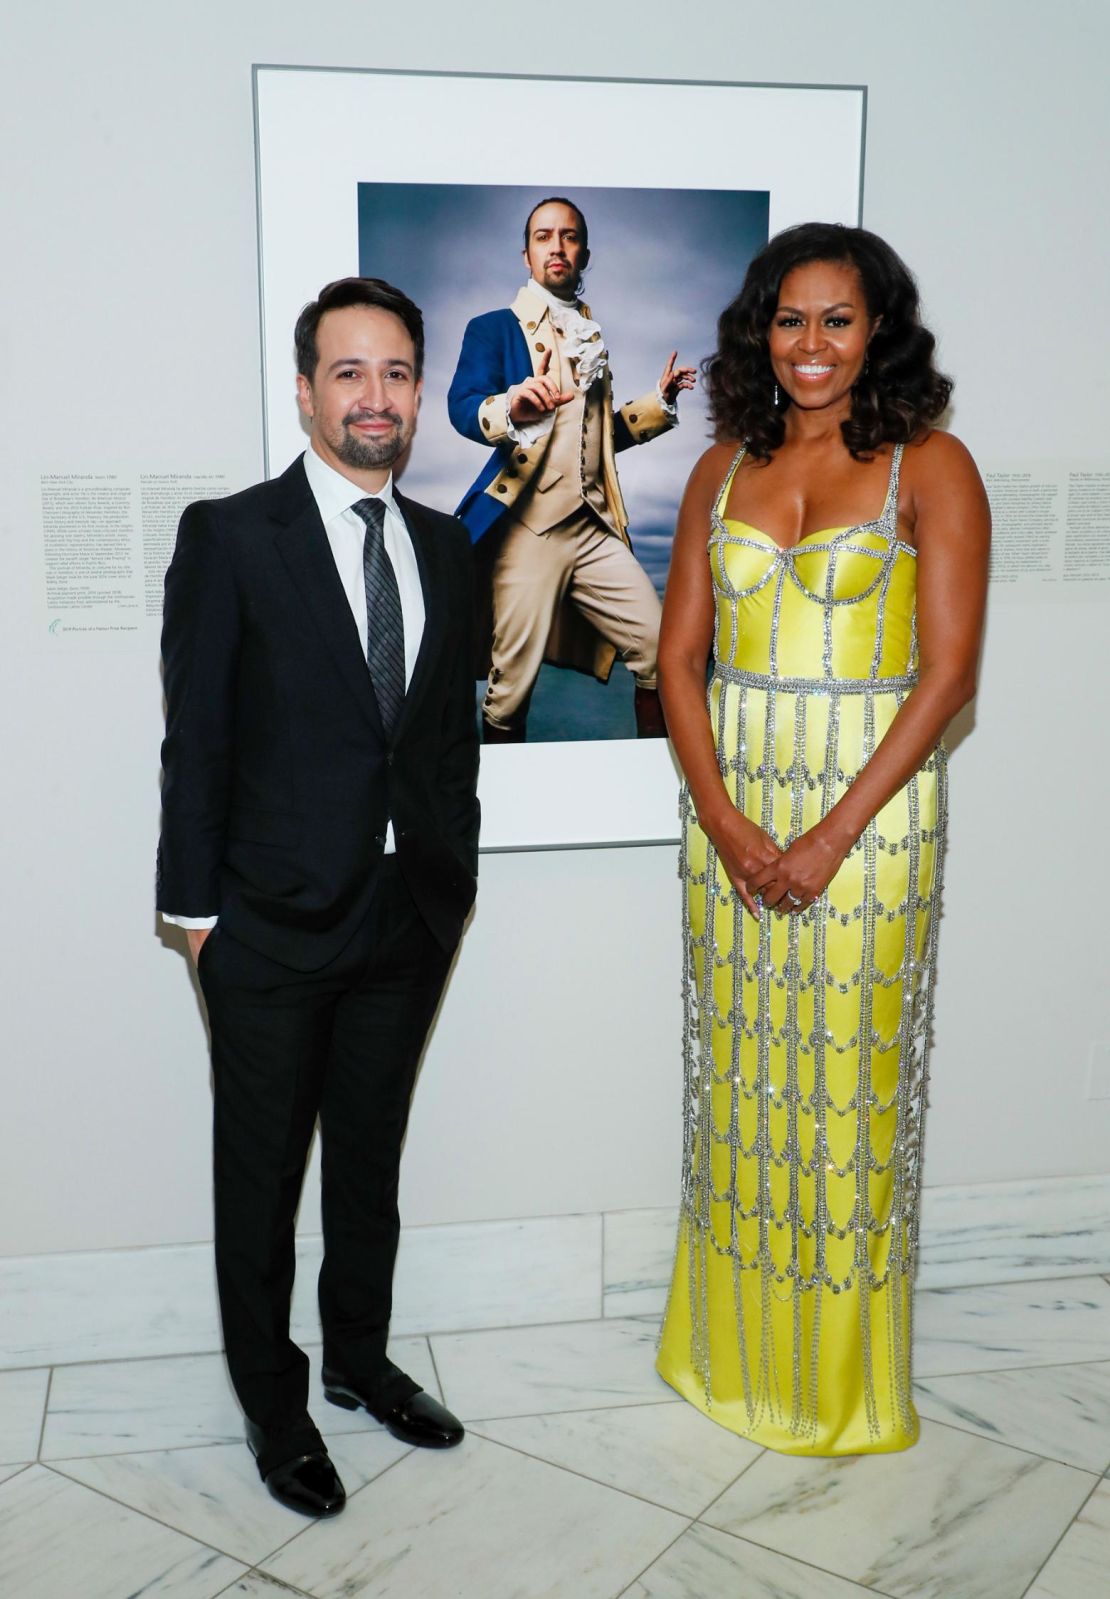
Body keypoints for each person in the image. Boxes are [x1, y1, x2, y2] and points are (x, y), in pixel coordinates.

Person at [655, 223, 990, 1455]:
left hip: (873, 830)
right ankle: (725, 1353)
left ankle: (833, 1386)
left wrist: (828, 839)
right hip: (726, 825)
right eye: (789, 320)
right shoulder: (720, 472)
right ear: (761, 330)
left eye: (838, 320)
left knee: (847, 1094)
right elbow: (676, 660)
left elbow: (948, 675)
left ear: (879, 330)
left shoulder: (931, 467)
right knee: (742, 1093)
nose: (811, 346)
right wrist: (731, 823)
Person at [157, 277, 480, 1516]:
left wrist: (449, 881)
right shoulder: (233, 536)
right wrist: (193, 918)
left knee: (371, 1163)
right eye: (349, 373)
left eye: (396, 372)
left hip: (408, 920)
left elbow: (445, 739)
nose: (376, 397)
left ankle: (359, 1360)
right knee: (262, 1179)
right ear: (305, 392)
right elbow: (200, 740)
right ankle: (274, 1405)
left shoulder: (446, 546)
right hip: (269, 929)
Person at [447, 196, 696, 742]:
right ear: (526, 253)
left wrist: (658, 403)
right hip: (527, 529)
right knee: (509, 689)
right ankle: (502, 807)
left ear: (583, 253)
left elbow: (600, 440)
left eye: (568, 236)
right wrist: (511, 405)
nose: (556, 246)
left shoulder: (591, 335)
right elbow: (461, 406)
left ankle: (650, 782)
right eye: (543, 236)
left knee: (657, 647)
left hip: (593, 526)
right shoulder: (492, 327)